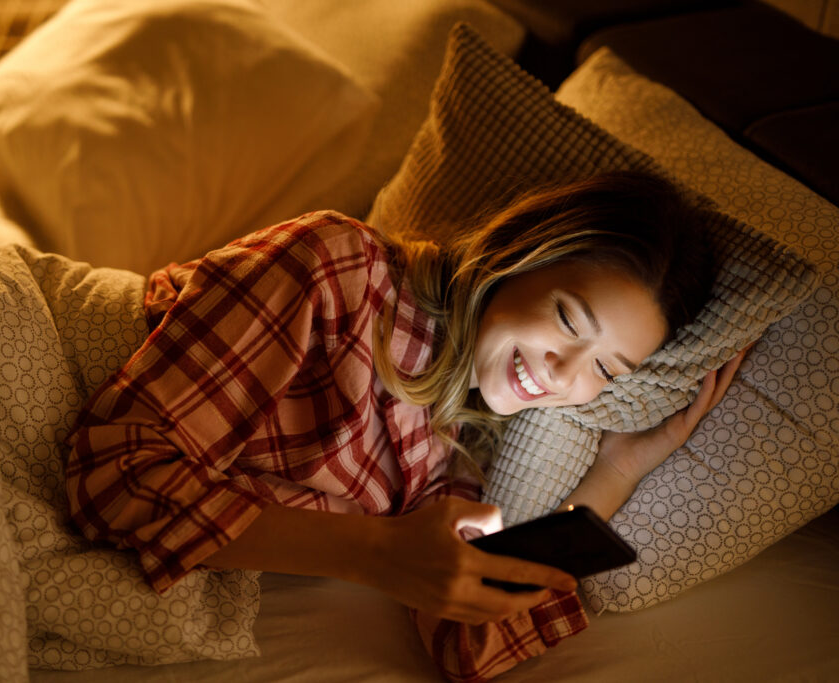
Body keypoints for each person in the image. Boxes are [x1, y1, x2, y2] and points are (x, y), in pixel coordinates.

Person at [64, 170, 746, 681]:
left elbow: (469, 642)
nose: (565, 372)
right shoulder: (337, 263)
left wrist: (616, 472)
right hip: (34, 350)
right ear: (521, 254)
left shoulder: (446, 463)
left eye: (607, 370)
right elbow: (115, 468)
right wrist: (374, 551)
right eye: (569, 320)